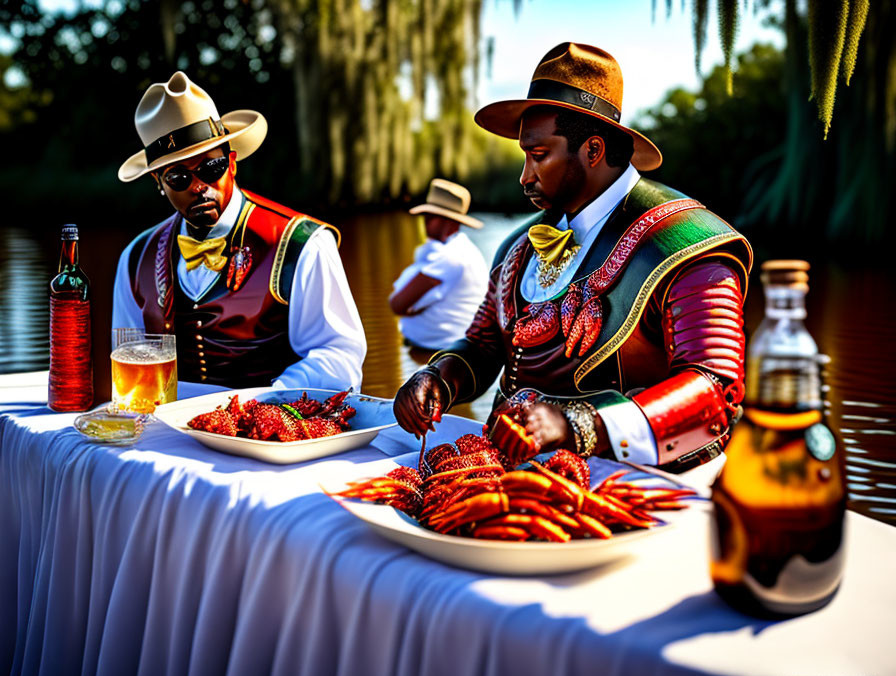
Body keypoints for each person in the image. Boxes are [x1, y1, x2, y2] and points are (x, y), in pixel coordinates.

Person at [394, 42, 752, 471]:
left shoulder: (684, 243)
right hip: (504, 482)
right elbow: (484, 346)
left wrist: (581, 423)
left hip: (639, 486)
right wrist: (437, 378)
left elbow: (716, 396)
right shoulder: (517, 248)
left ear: (593, 151)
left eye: (539, 155)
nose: (524, 176)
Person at [113, 72, 365, 390]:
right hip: (168, 435)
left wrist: (269, 399)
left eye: (210, 167)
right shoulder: (136, 259)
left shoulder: (302, 244)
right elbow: (131, 372)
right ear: (159, 184)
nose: (198, 186)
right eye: (178, 178)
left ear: (231, 163)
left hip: (272, 433)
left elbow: (340, 358)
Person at [389, 179, 489, 354]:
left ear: (449, 221)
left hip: (444, 353)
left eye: (432, 216)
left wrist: (415, 310)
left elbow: (397, 304)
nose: (425, 221)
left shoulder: (450, 258)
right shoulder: (463, 249)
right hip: (448, 349)